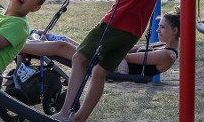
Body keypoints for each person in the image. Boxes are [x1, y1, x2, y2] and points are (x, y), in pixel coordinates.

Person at [22, 6, 181, 77]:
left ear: (175, 31)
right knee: (66, 42)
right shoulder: (161, 46)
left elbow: (128, 57)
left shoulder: (168, 55)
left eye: (163, 28)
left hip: (116, 66)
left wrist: (112, 47)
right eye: (159, 27)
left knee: (62, 47)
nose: (158, 31)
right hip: (115, 60)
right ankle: (35, 40)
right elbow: (131, 50)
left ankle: (19, 46)